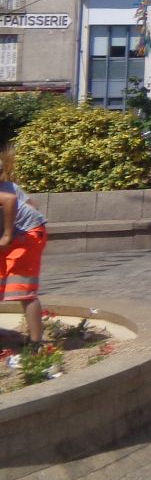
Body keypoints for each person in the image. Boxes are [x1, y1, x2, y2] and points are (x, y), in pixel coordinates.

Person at [0, 131, 47, 346]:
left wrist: (9, 235)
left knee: (24, 290)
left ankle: (36, 344)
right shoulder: (9, 186)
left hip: (26, 238)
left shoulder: (6, 191)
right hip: (25, 234)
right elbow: (32, 206)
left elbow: (10, 201)